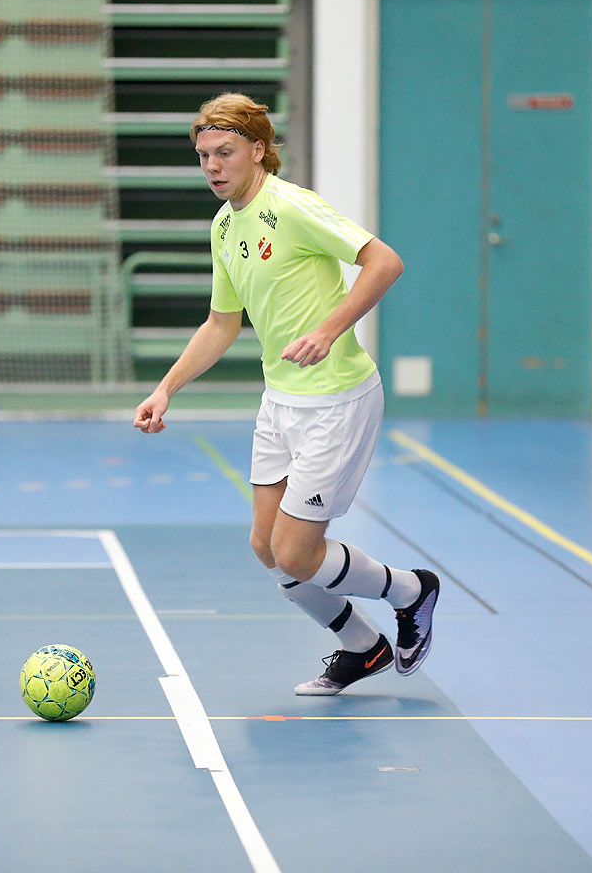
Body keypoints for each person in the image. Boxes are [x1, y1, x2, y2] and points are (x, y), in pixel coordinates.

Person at [134, 92, 440, 694]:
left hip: (338, 401)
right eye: (203, 156)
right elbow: (222, 322)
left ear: (257, 150)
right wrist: (166, 388)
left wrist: (330, 329)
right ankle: (364, 647)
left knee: (298, 554)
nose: (213, 166)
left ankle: (413, 590)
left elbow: (385, 262)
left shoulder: (291, 206)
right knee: (266, 548)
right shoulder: (225, 225)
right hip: (281, 403)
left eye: (225, 152)